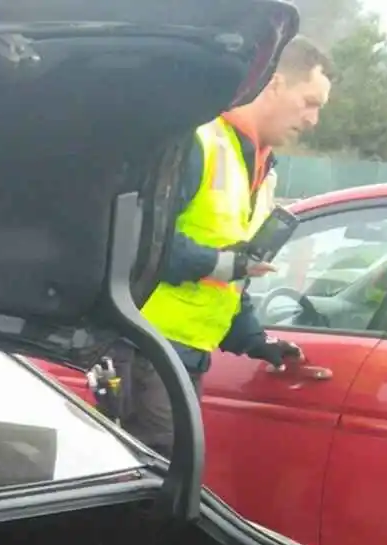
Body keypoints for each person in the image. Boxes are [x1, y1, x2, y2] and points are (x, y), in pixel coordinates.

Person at [113, 37, 334, 455]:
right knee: (159, 479)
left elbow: (236, 273)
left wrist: (255, 340)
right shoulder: (198, 141)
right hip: (148, 347)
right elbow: (141, 238)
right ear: (274, 85)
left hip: (187, 355)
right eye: (309, 101)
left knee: (173, 476)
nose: (313, 119)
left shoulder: (261, 168)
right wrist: (220, 264)